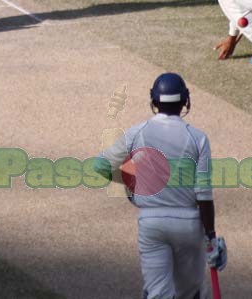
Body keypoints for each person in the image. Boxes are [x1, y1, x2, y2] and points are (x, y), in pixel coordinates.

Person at [95, 72, 227, 299]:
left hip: (151, 224)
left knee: (158, 294)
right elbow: (203, 195)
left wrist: (130, 183)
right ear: (185, 101)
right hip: (189, 224)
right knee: (190, 293)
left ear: (154, 101)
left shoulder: (137, 132)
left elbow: (100, 165)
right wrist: (211, 237)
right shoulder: (198, 138)